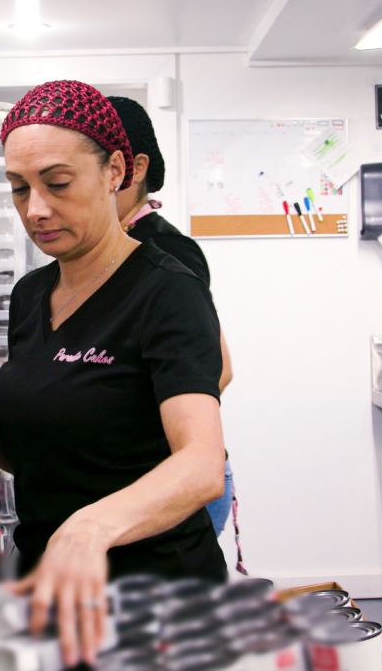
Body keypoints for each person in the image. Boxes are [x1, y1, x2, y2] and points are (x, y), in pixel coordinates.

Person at [0, 80, 226, 668]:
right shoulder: (32, 295)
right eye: (19, 187)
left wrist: (91, 527)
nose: (36, 210)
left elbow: (201, 467)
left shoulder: (167, 291)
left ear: (115, 172)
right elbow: (52, 456)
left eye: (57, 183)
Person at [107, 95, 236, 538]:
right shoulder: (109, 251)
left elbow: (219, 369)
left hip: (169, 482)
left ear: (134, 168)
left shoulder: (165, 250)